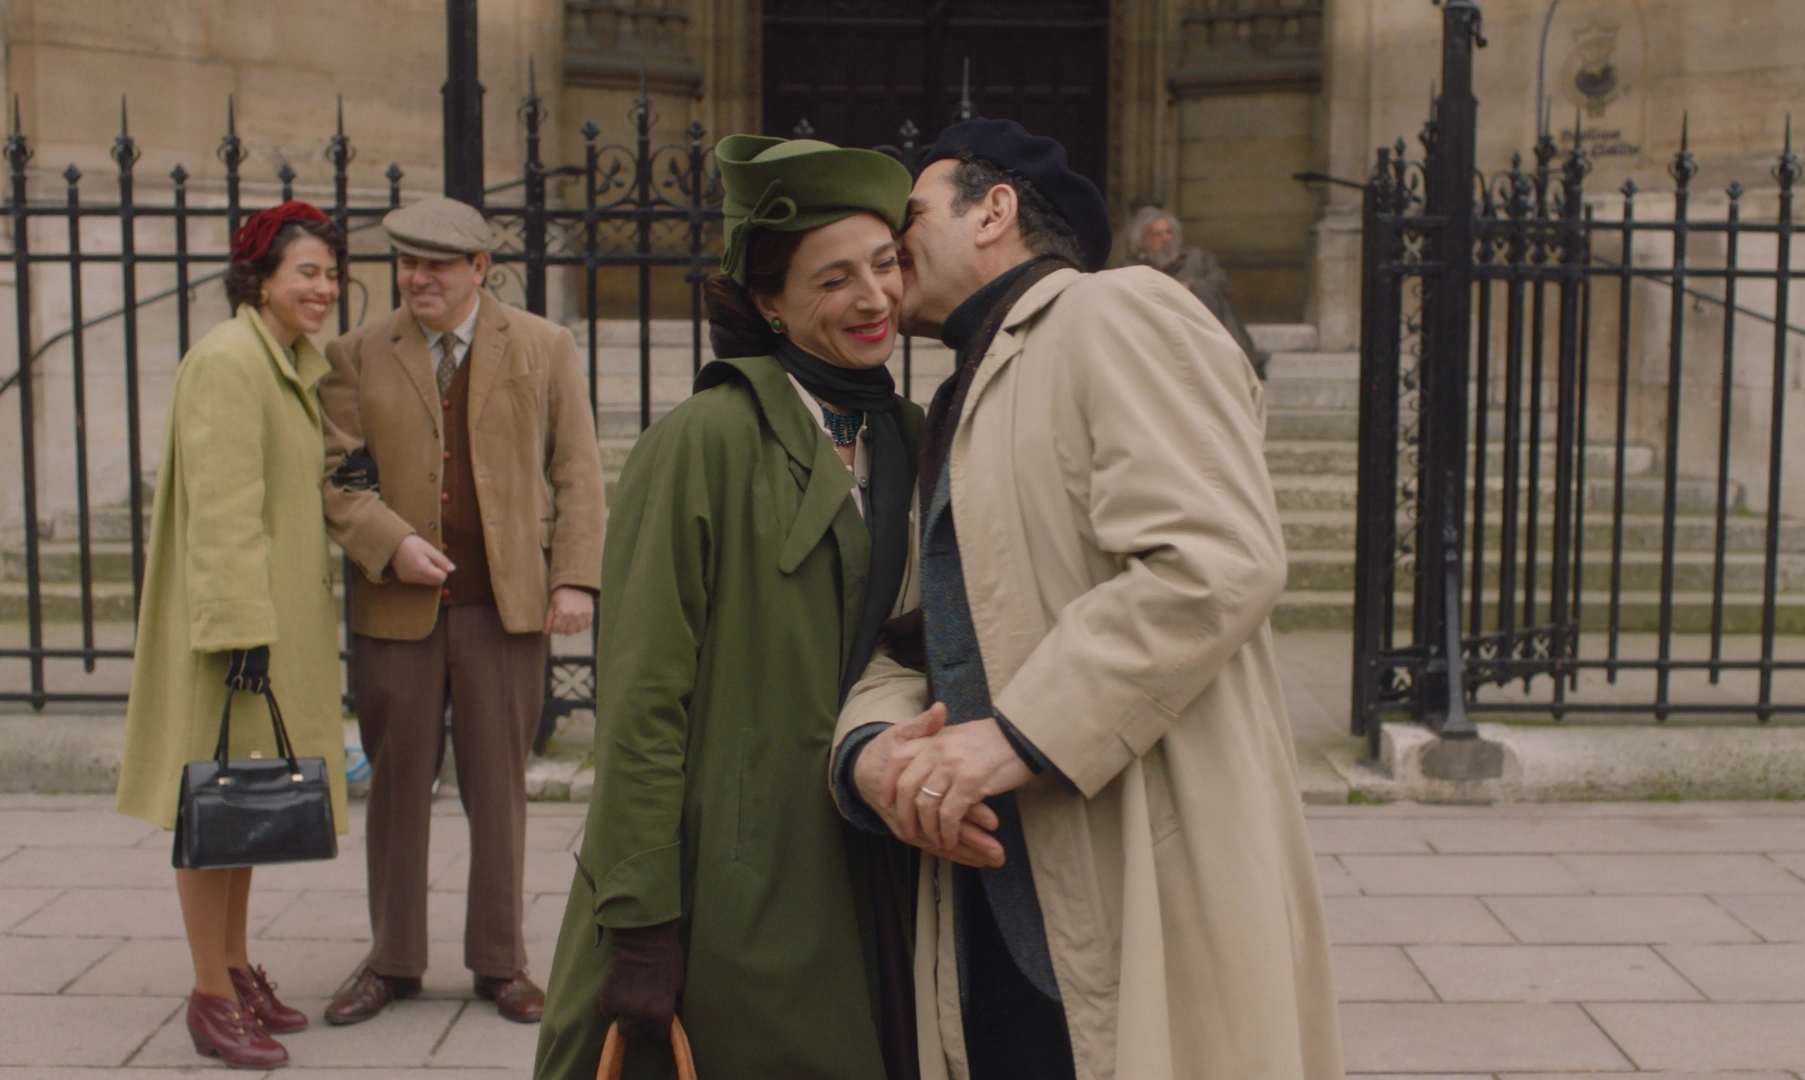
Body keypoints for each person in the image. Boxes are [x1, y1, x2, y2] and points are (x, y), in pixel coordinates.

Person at [832, 119, 1344, 1079]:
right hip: (997, 888)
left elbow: (1215, 558)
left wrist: (1017, 733)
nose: (884, 243)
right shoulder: (953, 398)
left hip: (1132, 867)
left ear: (995, 209)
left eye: (908, 211)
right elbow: (916, 634)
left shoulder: (1113, 313)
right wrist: (871, 755)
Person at [534, 135, 964, 1080]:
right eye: (834, 278)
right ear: (766, 301)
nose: (874, 298)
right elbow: (642, 703)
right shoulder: (702, 441)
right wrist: (642, 920)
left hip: (876, 881)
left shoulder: (913, 437)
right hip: (723, 897)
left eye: (886, 265)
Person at [317, 196, 606, 1026]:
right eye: (407, 262)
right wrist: (390, 542)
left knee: (498, 789)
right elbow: (341, 477)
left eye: (437, 265)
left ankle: (501, 963)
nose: (418, 278)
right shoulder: (357, 354)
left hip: (503, 610)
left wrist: (574, 579)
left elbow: (578, 471)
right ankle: (393, 961)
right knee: (398, 787)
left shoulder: (545, 347)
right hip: (396, 608)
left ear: (480, 269)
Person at [114, 201, 348, 1069]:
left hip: (265, 629)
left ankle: (237, 963)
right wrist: (242, 635)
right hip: (233, 637)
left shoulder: (282, 362)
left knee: (241, 809)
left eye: (330, 273)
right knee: (209, 812)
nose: (323, 289)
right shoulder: (227, 364)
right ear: (260, 279)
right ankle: (209, 994)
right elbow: (219, 515)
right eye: (306, 273)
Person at [1127, 205, 1269, 377]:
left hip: (1200, 327)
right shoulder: (1133, 269)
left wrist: (1190, 287)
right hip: (1159, 333)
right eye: (1157, 235)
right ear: (1144, 241)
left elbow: (1221, 283)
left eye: (1169, 232)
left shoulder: (1198, 259)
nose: (1165, 239)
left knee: (1214, 296)